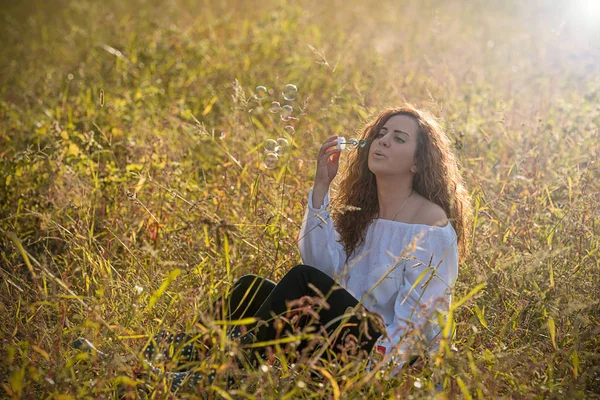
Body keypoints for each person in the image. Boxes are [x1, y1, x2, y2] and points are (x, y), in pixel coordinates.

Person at [144, 103, 472, 390]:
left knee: (301, 280)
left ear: (418, 163)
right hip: (338, 334)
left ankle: (224, 374)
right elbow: (323, 268)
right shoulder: (365, 212)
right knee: (250, 288)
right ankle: (182, 358)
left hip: (377, 354)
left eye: (398, 138)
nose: (383, 140)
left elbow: (420, 319)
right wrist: (321, 187)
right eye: (381, 133)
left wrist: (383, 376)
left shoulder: (430, 225)